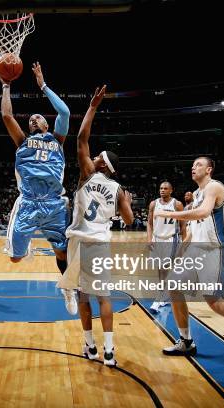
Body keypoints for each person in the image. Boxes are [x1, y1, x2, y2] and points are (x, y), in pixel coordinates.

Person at [154, 157, 224, 359]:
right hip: (195, 250)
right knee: (173, 287)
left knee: (214, 301)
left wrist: (167, 214)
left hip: (215, 249)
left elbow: (203, 212)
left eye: (198, 165)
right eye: (193, 165)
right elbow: (192, 233)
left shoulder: (214, 187)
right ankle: (186, 341)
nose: (193, 167)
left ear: (209, 169)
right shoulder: (196, 194)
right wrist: (179, 255)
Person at [57, 86, 134, 366]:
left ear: (103, 164)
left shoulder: (88, 173)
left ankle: (90, 347)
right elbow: (129, 221)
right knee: (104, 297)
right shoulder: (119, 189)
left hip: (79, 242)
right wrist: (123, 204)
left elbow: (80, 139)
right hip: (99, 243)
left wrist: (92, 106)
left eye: (99, 156)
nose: (96, 156)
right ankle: (109, 352)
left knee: (83, 296)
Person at [0, 62, 76, 311]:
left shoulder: (58, 139)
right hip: (29, 204)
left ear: (46, 125)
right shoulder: (22, 141)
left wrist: (42, 85)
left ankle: (67, 288)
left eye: (38, 118)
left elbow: (64, 112)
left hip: (55, 203)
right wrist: (6, 85)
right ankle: (26, 242)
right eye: (31, 118)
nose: (33, 119)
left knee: (62, 254)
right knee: (15, 258)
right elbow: (7, 116)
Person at [147, 181, 186, 313]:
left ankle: (159, 298)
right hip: (157, 239)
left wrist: (184, 242)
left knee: (164, 268)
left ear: (171, 190)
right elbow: (149, 223)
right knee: (160, 269)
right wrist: (149, 238)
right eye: (161, 188)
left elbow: (183, 225)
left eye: (165, 188)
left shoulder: (177, 204)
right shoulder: (153, 204)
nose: (162, 190)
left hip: (171, 239)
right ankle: (165, 295)